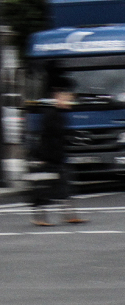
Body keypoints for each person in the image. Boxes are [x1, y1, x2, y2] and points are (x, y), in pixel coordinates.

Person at [29, 81, 86, 226]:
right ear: (58, 98)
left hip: (57, 157)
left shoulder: (60, 114)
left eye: (70, 98)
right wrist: (42, 157)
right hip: (48, 158)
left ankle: (69, 215)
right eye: (67, 98)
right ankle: (39, 218)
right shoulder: (51, 115)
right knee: (44, 189)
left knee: (64, 187)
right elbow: (46, 137)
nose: (70, 101)